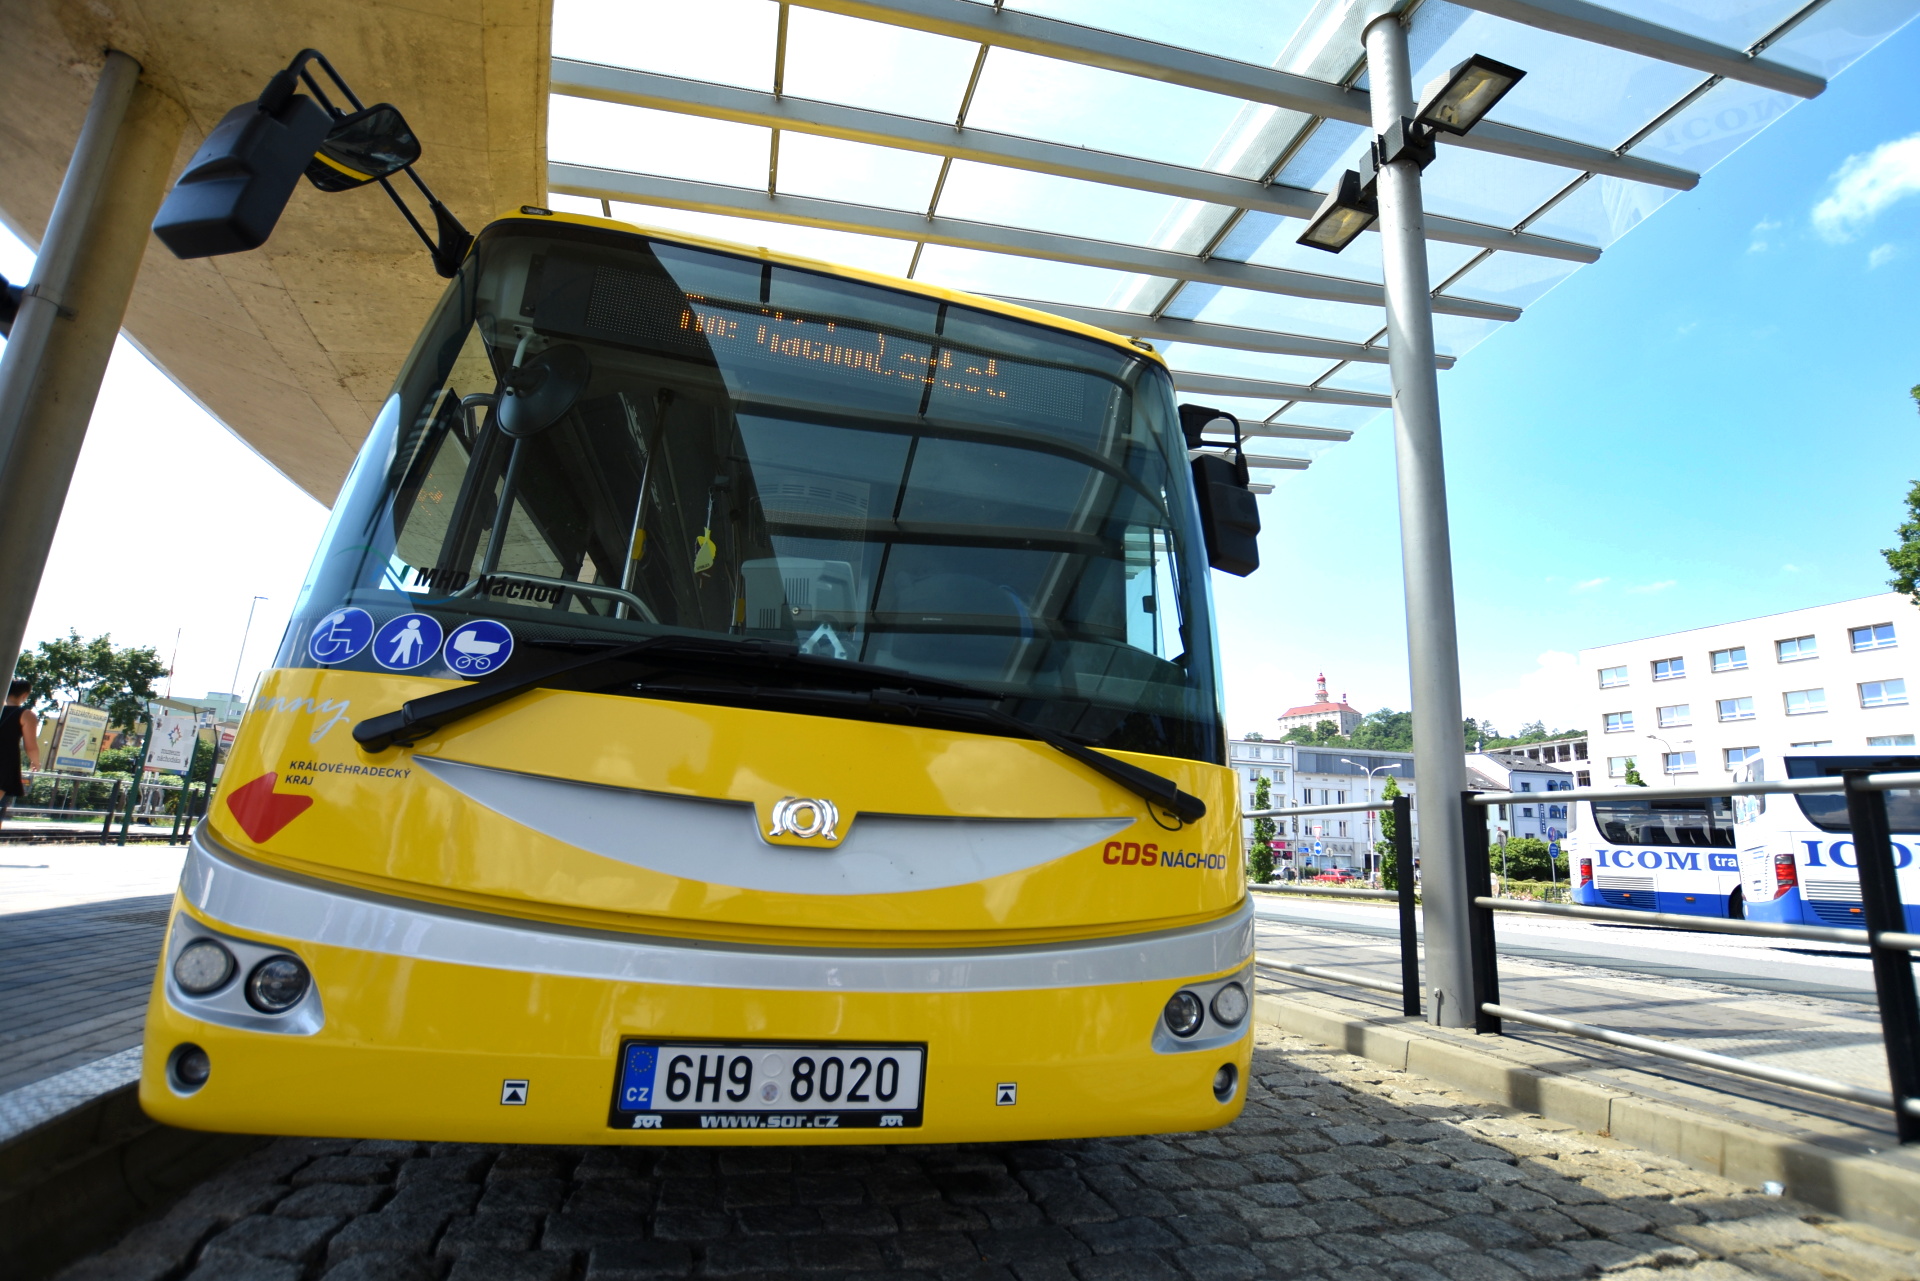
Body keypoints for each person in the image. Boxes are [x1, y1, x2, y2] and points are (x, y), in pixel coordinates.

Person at [0, 678, 40, 829]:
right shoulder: (26, 715)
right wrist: (35, 762)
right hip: (4, 762)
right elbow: (30, 746)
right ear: (24, 695)